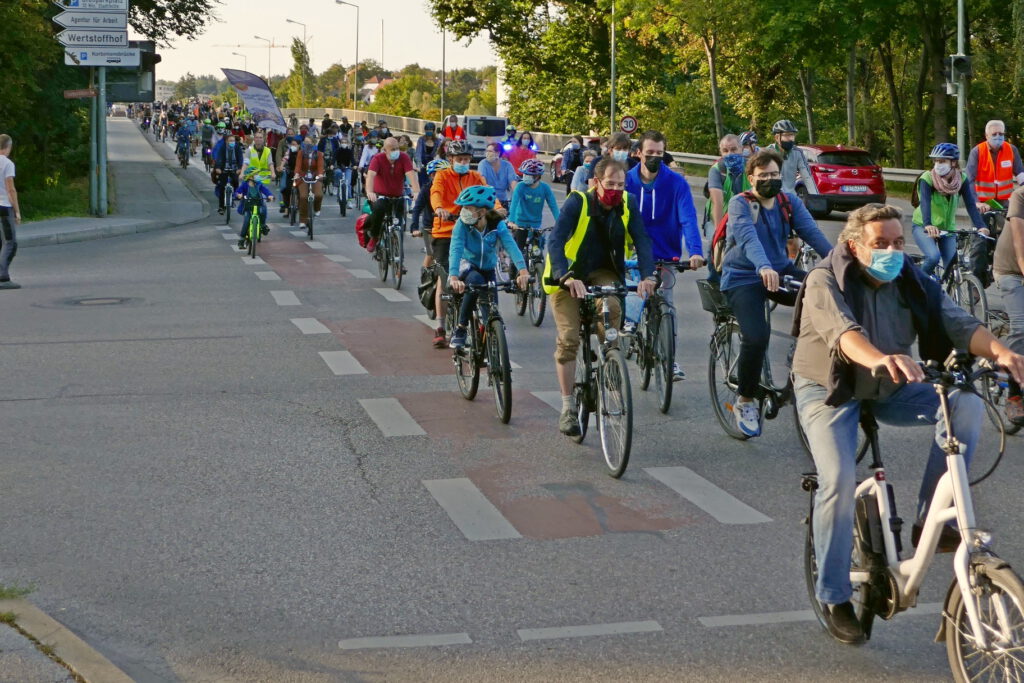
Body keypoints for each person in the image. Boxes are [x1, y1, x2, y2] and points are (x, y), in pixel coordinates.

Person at [792, 203, 1024, 644]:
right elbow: (845, 335)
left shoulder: (912, 279)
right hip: (830, 387)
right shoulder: (825, 279)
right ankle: (835, 595)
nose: (893, 252)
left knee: (966, 404)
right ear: (853, 245)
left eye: (899, 242)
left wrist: (1004, 354)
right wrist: (881, 357)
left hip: (890, 385)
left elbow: (958, 323)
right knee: (838, 480)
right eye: (881, 244)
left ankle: (928, 521)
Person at [719, 149, 832, 437]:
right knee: (756, 337)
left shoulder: (788, 200)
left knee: (824, 300)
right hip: (744, 276)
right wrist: (763, 266)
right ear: (751, 178)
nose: (770, 179)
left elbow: (812, 233)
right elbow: (747, 238)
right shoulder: (740, 204)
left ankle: (805, 361)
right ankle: (745, 400)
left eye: (774, 174)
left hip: (779, 270)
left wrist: (838, 263)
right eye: (764, 175)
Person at [544, 157, 657, 435]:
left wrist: (647, 275)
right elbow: (555, 240)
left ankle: (609, 361)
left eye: (620, 184)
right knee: (569, 338)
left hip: (604, 271)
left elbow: (641, 239)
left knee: (612, 309)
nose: (616, 189)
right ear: (596, 183)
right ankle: (568, 407)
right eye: (610, 184)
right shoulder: (578, 202)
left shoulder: (628, 204)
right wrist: (565, 276)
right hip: (568, 275)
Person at [625, 130, 704, 379]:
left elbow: (688, 218)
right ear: (639, 153)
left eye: (659, 153)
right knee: (632, 301)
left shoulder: (676, 183)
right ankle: (629, 328)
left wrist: (695, 252)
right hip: (633, 252)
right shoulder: (626, 180)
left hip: (666, 253)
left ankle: (669, 360)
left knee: (667, 305)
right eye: (649, 153)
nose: (654, 158)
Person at [430, 139, 500, 348]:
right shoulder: (442, 176)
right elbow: (436, 194)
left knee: (480, 274)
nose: (463, 162)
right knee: (447, 277)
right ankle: (441, 326)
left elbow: (489, 193)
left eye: (467, 159)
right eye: (459, 159)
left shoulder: (475, 176)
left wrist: (498, 207)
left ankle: (483, 323)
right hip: (445, 231)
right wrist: (440, 208)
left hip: (470, 230)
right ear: (450, 159)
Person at [447, 185, 531, 349]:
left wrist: (523, 271)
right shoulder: (462, 224)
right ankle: (461, 329)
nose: (464, 211)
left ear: (482, 211)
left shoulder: (496, 224)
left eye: (469, 208)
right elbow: (455, 249)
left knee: (492, 311)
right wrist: (454, 276)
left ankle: (491, 341)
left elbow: (511, 246)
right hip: (468, 266)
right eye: (464, 207)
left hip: (488, 268)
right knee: (475, 282)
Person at [911, 143, 988, 277]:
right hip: (923, 225)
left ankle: (951, 294)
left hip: (947, 228)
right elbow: (925, 203)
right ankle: (919, 283)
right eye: (935, 161)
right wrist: (928, 224)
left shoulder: (961, 179)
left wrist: (981, 226)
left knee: (953, 266)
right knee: (934, 257)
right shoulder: (927, 179)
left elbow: (970, 204)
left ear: (953, 162)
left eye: (942, 161)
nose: (937, 164)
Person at [993, 185, 1024, 425]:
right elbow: (1019, 243)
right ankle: (1014, 395)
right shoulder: (1020, 195)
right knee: (1022, 327)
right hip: (1012, 271)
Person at [365, 137, 420, 249]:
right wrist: (370, 191)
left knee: (399, 225)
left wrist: (416, 191)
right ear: (385, 150)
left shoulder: (404, 157)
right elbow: (370, 175)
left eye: (397, 148)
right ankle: (374, 237)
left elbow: (410, 174)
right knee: (378, 212)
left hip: (397, 196)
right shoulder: (377, 158)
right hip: (380, 196)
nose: (396, 151)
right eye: (392, 149)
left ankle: (399, 260)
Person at [966, 120, 1024, 214]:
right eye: (994, 134)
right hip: (982, 201)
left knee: (1010, 226)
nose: (998, 137)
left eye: (1001, 134)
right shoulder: (977, 151)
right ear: (986, 136)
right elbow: (969, 180)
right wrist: (975, 202)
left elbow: (1020, 174)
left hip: (1005, 201)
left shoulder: (1011, 149)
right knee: (980, 227)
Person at [508, 158, 559, 257]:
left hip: (536, 224)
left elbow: (553, 206)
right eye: (524, 174)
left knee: (539, 249)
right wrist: (511, 221)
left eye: (529, 175)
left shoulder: (545, 188)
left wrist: (559, 222)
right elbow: (514, 204)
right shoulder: (520, 187)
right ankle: (514, 270)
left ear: (537, 176)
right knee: (518, 251)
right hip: (520, 224)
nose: (525, 177)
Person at [705, 134, 748, 235]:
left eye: (734, 149)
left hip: (746, 218)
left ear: (741, 149)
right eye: (725, 151)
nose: (729, 154)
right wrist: (718, 233)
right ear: (721, 153)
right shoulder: (716, 170)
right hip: (719, 216)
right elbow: (718, 203)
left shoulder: (752, 167)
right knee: (716, 245)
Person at [235, 166, 274, 248]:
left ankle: (263, 225)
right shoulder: (245, 185)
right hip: (248, 206)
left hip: (258, 203)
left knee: (263, 209)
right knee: (246, 221)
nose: (258, 176)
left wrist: (270, 195)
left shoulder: (259, 184)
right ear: (251, 176)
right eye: (256, 174)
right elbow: (238, 191)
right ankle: (242, 239)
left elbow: (266, 190)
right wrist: (239, 195)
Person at [412, 159, 449, 242]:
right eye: (443, 174)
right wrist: (415, 228)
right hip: (430, 227)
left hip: (449, 225)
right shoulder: (426, 189)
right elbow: (417, 209)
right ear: (432, 175)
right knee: (431, 254)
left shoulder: (451, 187)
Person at [0, 134, 20, 289]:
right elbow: (10, 189)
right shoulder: (7, 163)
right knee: (11, 242)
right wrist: (17, 211)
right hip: (4, 207)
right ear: (8, 147)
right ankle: (3, 277)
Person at [293, 136, 325, 228]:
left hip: (315, 176)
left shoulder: (318, 154)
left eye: (308, 142)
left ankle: (316, 208)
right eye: (305, 142)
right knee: (303, 197)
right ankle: (303, 220)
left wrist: (320, 174)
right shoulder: (301, 153)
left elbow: (320, 166)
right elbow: (298, 165)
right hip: (303, 176)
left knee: (318, 194)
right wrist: (296, 174)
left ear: (313, 144)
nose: (306, 144)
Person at [478, 142, 518, 209]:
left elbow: (513, 181)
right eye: (487, 151)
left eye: (490, 151)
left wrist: (518, 193)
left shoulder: (507, 165)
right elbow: (482, 179)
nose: (487, 153)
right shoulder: (483, 163)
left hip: (503, 200)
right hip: (488, 199)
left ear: (498, 153)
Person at [213, 134, 244, 212]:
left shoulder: (237, 148)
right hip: (224, 168)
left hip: (234, 168)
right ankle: (221, 207)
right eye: (230, 141)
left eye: (233, 141)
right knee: (222, 186)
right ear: (226, 141)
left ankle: (234, 197)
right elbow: (219, 158)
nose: (232, 142)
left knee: (236, 182)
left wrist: (240, 168)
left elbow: (240, 158)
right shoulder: (222, 148)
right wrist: (218, 168)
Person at [277, 135, 302, 214]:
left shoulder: (302, 152)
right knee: (286, 190)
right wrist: (281, 166)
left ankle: (299, 205)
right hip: (290, 172)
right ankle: (287, 206)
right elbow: (285, 159)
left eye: (294, 144)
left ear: (299, 145)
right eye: (292, 144)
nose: (293, 146)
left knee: (301, 191)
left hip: (300, 174)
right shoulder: (289, 151)